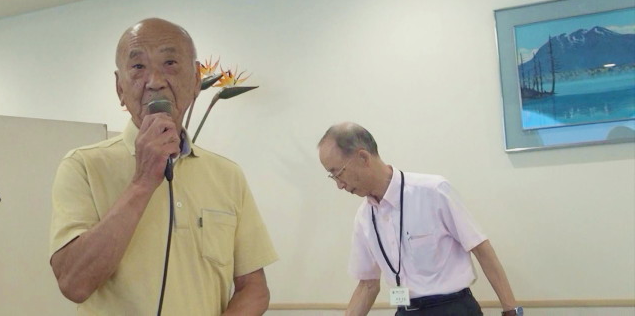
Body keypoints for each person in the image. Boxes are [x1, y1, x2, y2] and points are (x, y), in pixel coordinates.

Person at [49, 18, 278, 315]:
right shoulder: (82, 166)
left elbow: (254, 288)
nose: (154, 81)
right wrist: (142, 181)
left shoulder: (227, 174)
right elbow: (74, 284)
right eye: (138, 67)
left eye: (170, 63)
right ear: (119, 87)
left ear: (195, 80)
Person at [317, 122, 522, 316]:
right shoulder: (364, 216)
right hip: (406, 310)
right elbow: (367, 285)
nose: (339, 185)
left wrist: (511, 309)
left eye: (338, 173)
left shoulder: (433, 191)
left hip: (452, 308)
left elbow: (481, 248)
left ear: (363, 157)